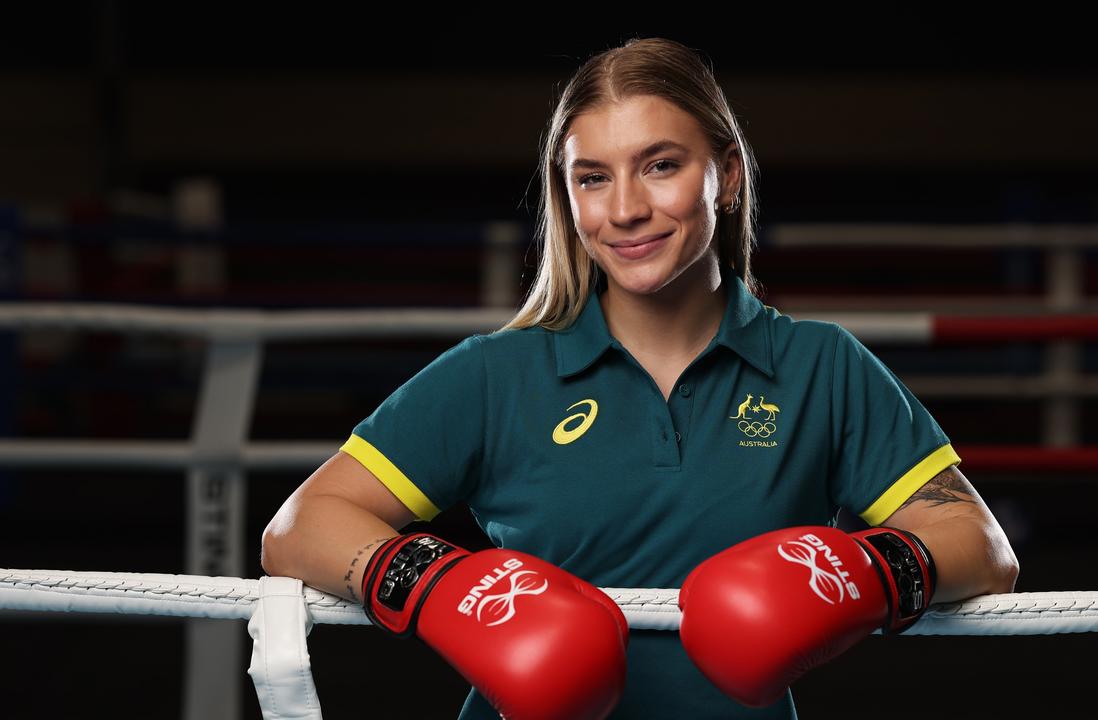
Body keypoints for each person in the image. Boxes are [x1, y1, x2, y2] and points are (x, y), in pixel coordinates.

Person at [261, 37, 1020, 719]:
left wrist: (858, 572)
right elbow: (299, 529)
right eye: (593, 178)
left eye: (660, 165)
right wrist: (445, 586)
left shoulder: (820, 366)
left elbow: (981, 545)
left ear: (723, 175)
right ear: (569, 198)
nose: (625, 209)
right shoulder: (498, 374)